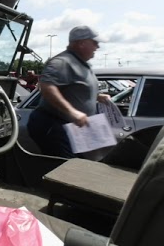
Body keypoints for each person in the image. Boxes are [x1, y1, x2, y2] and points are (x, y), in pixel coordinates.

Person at [27, 25, 111, 158]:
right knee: (66, 169)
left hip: (72, 128)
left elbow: (74, 90)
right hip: (54, 125)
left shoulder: (80, 63)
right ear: (81, 43)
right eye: (95, 42)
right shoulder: (62, 62)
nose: (98, 47)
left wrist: (96, 96)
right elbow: (47, 87)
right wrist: (72, 112)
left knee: (77, 167)